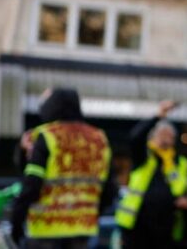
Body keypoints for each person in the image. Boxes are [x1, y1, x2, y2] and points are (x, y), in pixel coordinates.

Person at [11, 88, 116, 249]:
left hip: (46, 230)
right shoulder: (99, 138)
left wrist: (16, 222)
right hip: (82, 230)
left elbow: (31, 184)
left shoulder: (47, 135)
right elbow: (110, 189)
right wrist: (92, 214)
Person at [116, 100, 187, 249]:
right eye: (162, 134)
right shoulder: (144, 156)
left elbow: (181, 190)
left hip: (166, 227)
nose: (165, 139)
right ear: (152, 137)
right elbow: (135, 136)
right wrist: (159, 115)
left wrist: (184, 200)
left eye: (170, 136)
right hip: (137, 225)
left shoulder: (179, 162)